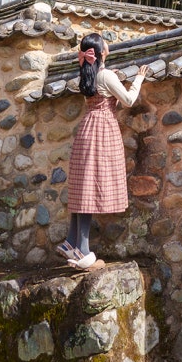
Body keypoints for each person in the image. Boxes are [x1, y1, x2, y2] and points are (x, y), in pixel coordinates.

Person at [56, 33, 148, 269]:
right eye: (106, 44)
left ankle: (71, 241)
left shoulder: (87, 73)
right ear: (102, 52)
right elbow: (127, 99)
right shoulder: (105, 75)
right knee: (89, 188)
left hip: (87, 127)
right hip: (103, 129)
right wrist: (138, 79)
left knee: (82, 186)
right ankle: (82, 249)